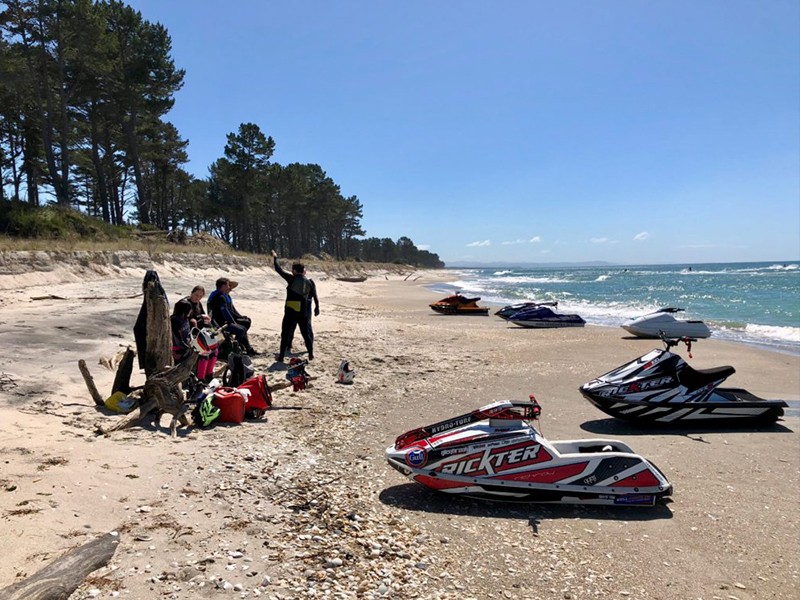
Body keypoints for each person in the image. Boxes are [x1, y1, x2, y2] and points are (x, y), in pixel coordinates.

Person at [271, 250, 316, 362]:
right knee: (306, 333)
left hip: (291, 310)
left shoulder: (292, 278)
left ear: (295, 271)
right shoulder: (309, 282)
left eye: (292, 270)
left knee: (285, 332)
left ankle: (281, 356)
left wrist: (275, 258)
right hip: (304, 310)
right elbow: (312, 295)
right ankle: (310, 354)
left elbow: (278, 269)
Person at [206, 277, 260, 356]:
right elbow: (225, 312)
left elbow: (231, 310)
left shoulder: (223, 295)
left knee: (245, 324)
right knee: (241, 330)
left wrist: (240, 317)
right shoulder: (220, 297)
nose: (230, 288)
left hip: (224, 321)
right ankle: (233, 350)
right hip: (219, 323)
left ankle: (245, 347)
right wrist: (234, 322)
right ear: (223, 286)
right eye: (228, 285)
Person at [170, 300, 193, 365]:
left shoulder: (185, 319)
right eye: (190, 309)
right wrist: (186, 348)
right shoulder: (175, 320)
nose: (191, 311)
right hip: (177, 349)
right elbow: (177, 338)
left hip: (186, 345)